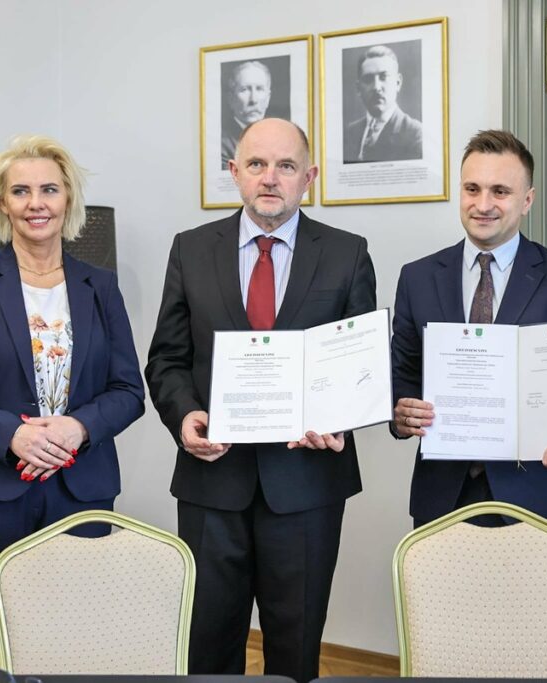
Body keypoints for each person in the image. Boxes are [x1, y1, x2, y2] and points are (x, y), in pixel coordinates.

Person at [146, 118, 376, 683]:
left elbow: (361, 368)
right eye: (256, 164)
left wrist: (340, 420)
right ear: (235, 172)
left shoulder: (347, 254)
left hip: (307, 483)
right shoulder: (191, 249)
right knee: (207, 648)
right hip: (211, 482)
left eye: (285, 166)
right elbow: (167, 359)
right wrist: (184, 416)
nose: (270, 178)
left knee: (295, 650)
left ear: (309, 178)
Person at [0, 134, 145, 553]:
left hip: (80, 491)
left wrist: (79, 428)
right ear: (2, 203)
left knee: (70, 597)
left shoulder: (101, 286)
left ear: (68, 200)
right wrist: (11, 434)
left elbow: (129, 391)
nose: (35, 204)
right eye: (20, 191)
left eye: (49, 190)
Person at [390, 129, 547, 528]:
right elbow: (402, 374)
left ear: (527, 200)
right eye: (472, 189)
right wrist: (401, 413)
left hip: (537, 494)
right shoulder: (417, 277)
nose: (483, 204)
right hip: (442, 497)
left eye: (500, 191)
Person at [343, 45, 423, 163]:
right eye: (368, 79)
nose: (376, 87)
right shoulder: (349, 133)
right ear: (358, 88)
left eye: (383, 77)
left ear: (398, 83)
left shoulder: (415, 134)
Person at [221, 60, 272, 169]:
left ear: (268, 98)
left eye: (259, 89)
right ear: (231, 99)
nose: (253, 100)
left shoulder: (279, 137)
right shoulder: (221, 146)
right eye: (244, 90)